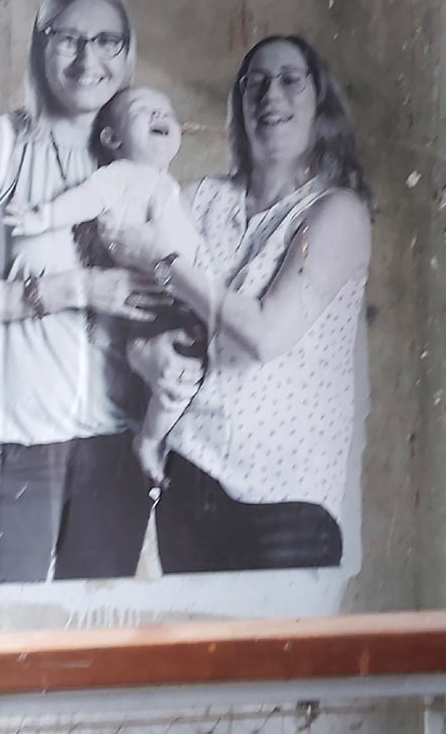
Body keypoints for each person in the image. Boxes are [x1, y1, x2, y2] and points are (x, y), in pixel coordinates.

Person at [0, 0, 164, 584]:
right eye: (68, 38)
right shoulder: (0, 143)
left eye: (107, 40)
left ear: (127, 50)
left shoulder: (134, 161)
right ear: (41, 43)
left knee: (96, 652)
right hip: (14, 446)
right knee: (3, 646)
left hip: (115, 445)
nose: (89, 59)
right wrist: (72, 290)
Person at [100, 35, 373, 574]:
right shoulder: (198, 198)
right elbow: (134, 313)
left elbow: (265, 335)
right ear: (240, 102)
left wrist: (164, 263)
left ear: (319, 102)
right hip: (188, 476)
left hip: (286, 499)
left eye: (290, 80)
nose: (271, 94)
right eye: (257, 82)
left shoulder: (336, 212)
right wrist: (140, 354)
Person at [4, 85, 206, 485]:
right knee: (177, 376)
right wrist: (44, 217)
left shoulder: (174, 188)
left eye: (166, 110)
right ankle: (149, 441)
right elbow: (85, 199)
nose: (159, 115)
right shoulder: (121, 176)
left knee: (189, 376)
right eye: (142, 110)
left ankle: (157, 436)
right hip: (151, 304)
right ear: (112, 140)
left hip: (184, 298)